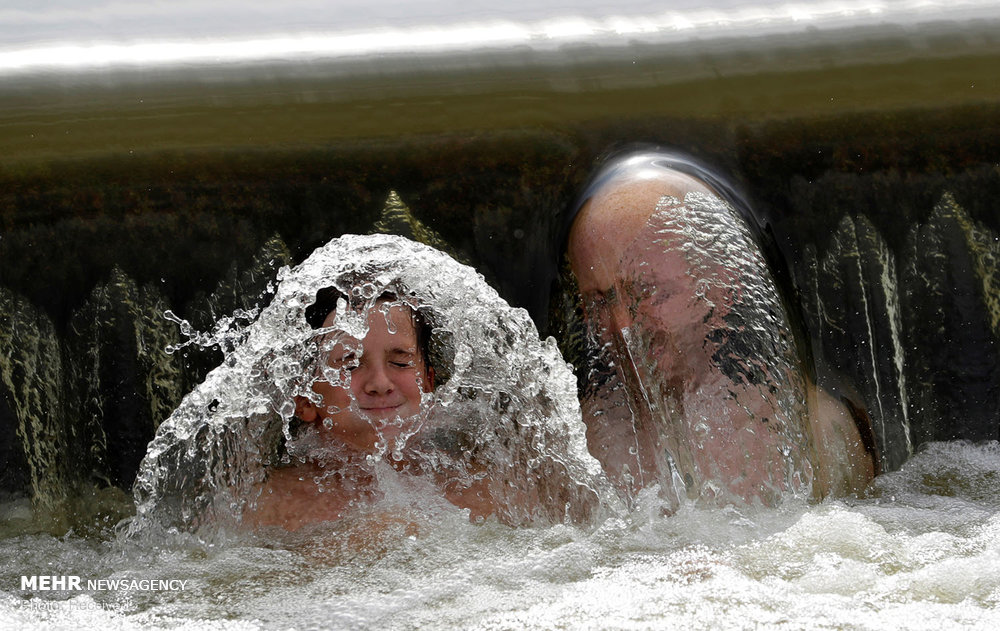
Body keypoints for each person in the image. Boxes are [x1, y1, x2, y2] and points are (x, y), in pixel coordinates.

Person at [564, 151, 878, 507]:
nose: (622, 326)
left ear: (723, 285)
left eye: (649, 291)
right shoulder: (575, 446)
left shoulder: (813, 434)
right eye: (599, 301)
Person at [248, 287, 494, 530]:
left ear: (428, 383)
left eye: (400, 363)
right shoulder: (261, 506)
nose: (380, 384)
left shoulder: (485, 491)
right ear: (305, 399)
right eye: (350, 365)